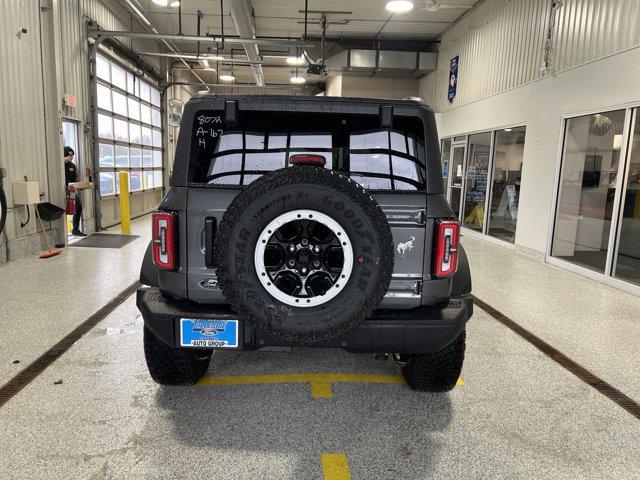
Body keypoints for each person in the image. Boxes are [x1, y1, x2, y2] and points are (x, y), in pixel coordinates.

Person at [64, 146, 85, 236]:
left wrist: (79, 186)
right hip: (59, 191)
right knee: (63, 210)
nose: (72, 157)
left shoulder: (72, 166)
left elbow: (74, 180)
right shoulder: (57, 165)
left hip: (70, 191)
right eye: (70, 155)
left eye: (72, 155)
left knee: (78, 207)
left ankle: (75, 229)